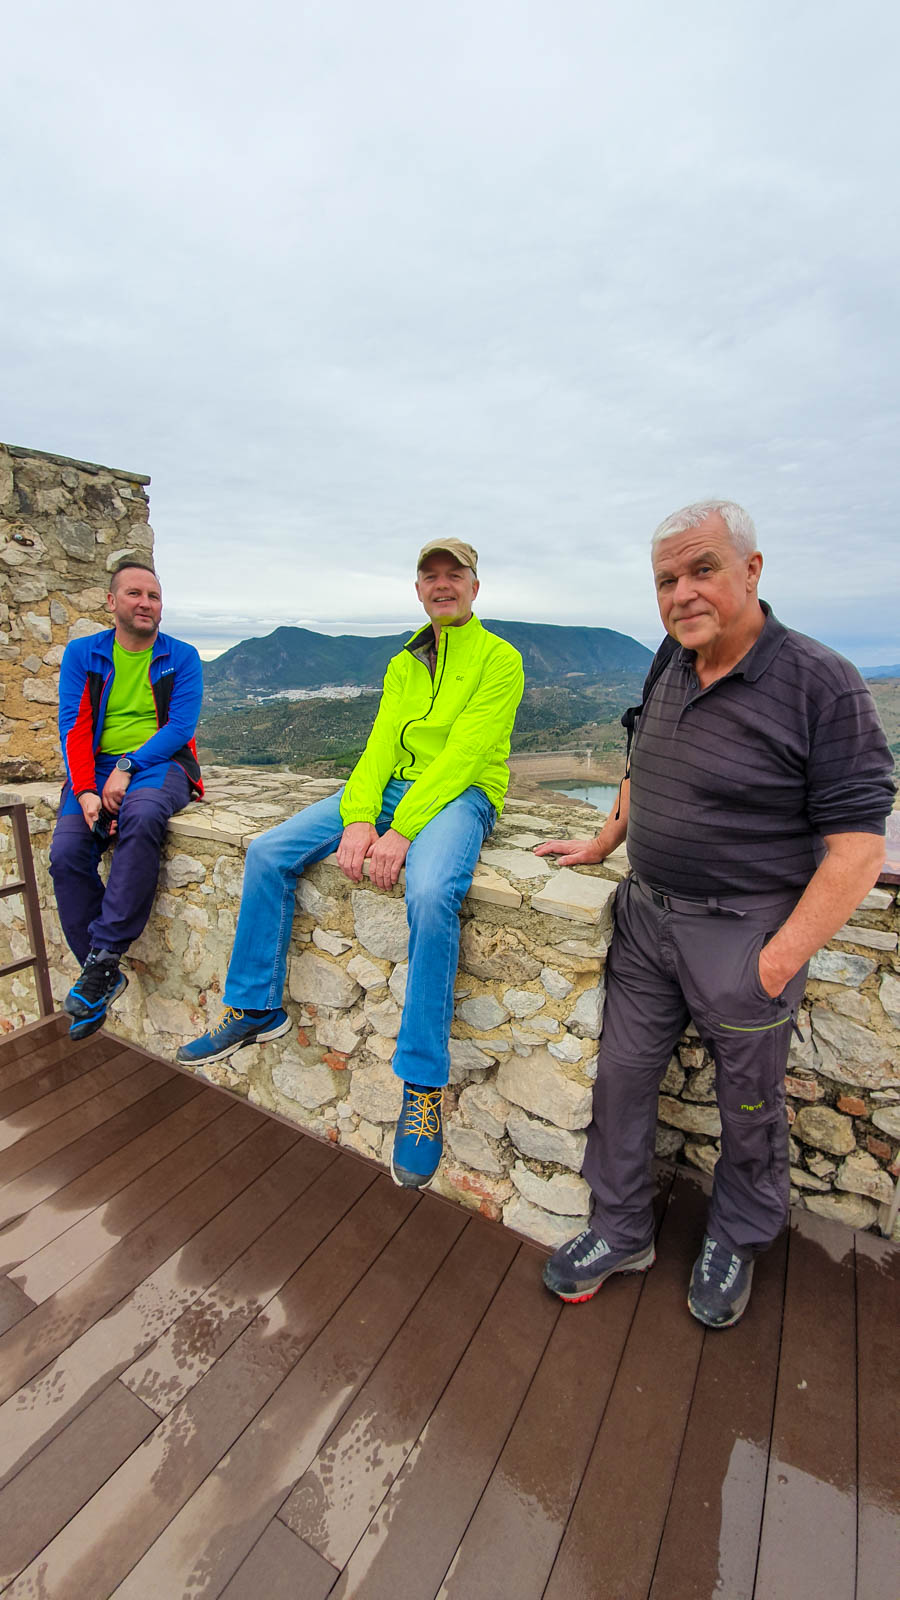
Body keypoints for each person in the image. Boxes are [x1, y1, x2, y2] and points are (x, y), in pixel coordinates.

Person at [536, 500, 895, 1328]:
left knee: (749, 1104)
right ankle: (622, 1228)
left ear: (752, 570)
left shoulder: (822, 683)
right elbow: (642, 759)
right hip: (645, 920)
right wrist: (604, 840)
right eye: (667, 579)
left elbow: (857, 851)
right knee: (623, 1081)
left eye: (703, 570)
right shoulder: (672, 655)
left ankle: (736, 1237)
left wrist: (772, 964)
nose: (682, 593)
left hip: (741, 933)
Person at [178, 539, 524, 1191]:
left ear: (475, 587)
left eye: (454, 575)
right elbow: (378, 747)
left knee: (430, 892)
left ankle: (422, 1086)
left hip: (463, 796)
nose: (442, 585)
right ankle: (254, 1006)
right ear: (418, 590)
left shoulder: (500, 659)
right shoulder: (403, 663)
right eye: (430, 576)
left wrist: (402, 830)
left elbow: (465, 756)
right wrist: (362, 816)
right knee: (268, 851)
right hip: (390, 790)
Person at [50, 562, 203, 1039]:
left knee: (143, 814)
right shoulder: (84, 654)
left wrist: (128, 767)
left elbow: (179, 728)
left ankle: (104, 955)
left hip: (161, 763)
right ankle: (101, 974)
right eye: (135, 593)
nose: (146, 603)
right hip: (95, 768)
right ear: (111, 601)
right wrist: (84, 790)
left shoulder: (182, 656)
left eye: (154, 596)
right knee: (66, 853)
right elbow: (74, 726)